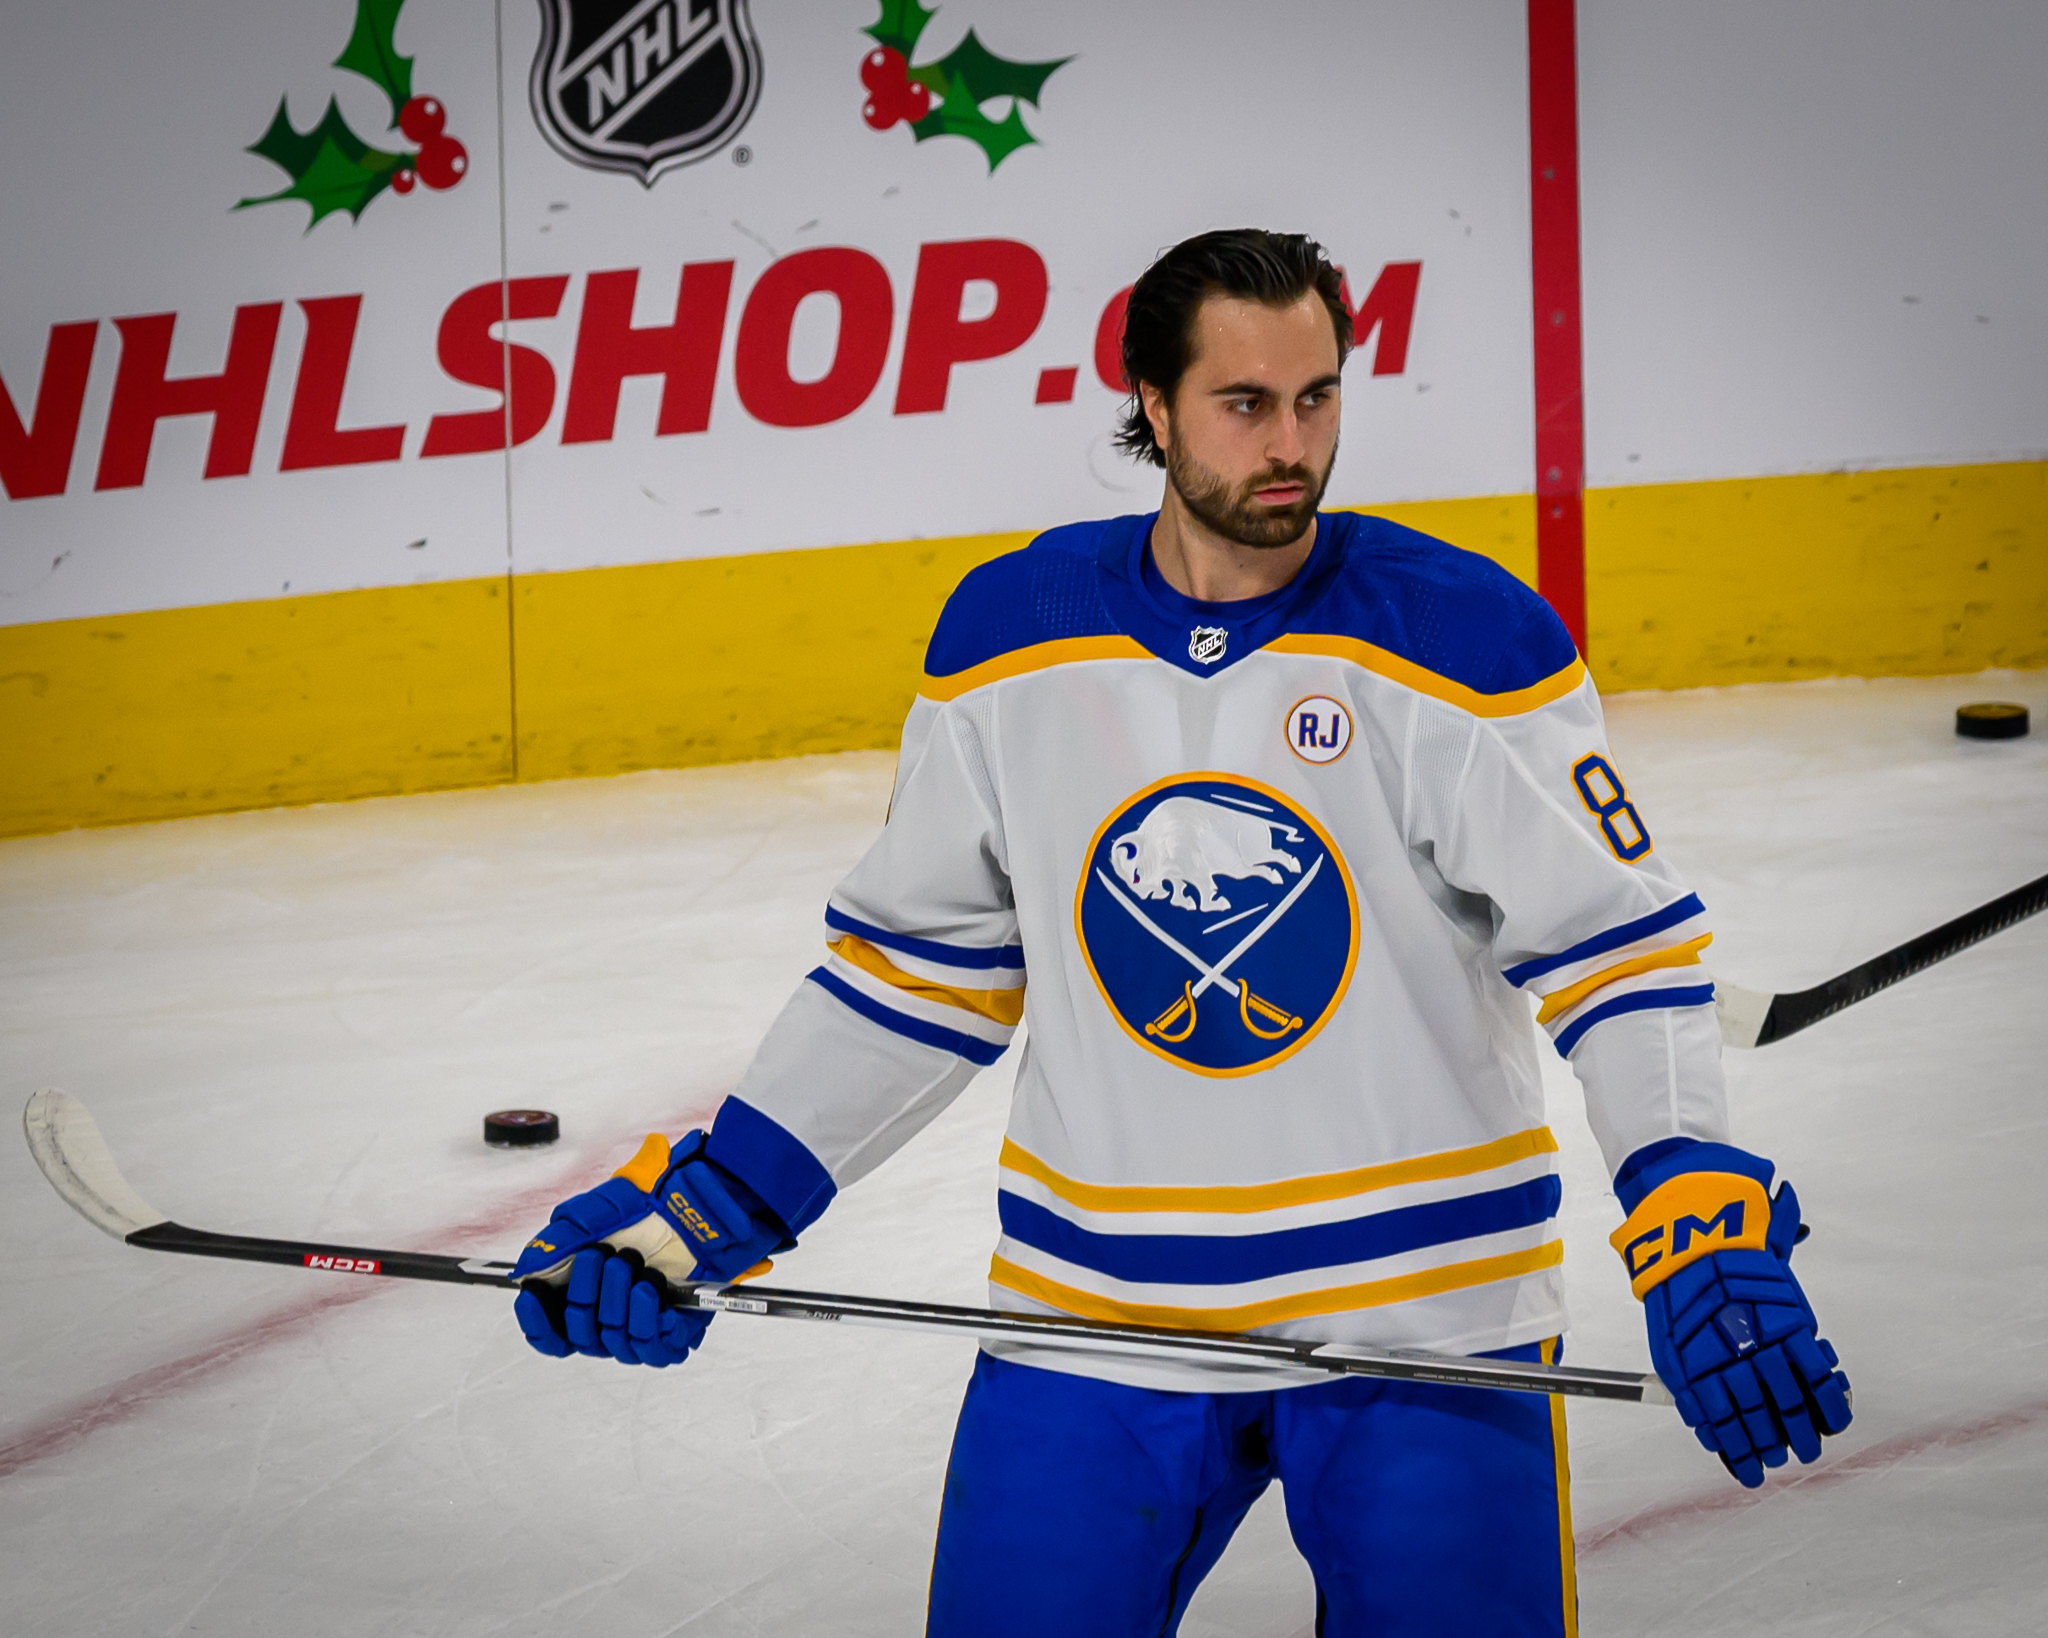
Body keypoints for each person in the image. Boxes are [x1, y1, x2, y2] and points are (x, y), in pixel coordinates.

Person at [510, 229, 1852, 1636]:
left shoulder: (1460, 639)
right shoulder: (1015, 637)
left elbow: (1622, 957)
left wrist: (1687, 1198)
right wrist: (723, 1199)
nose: (1292, 445)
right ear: (1152, 404)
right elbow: (913, 979)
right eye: (1245, 403)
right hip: (1097, 1313)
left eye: (1317, 398)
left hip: (1426, 1316)